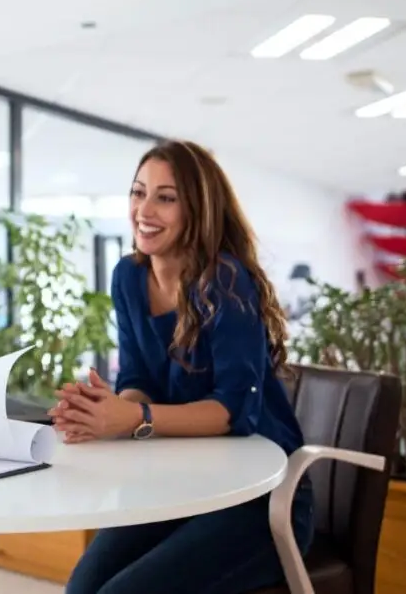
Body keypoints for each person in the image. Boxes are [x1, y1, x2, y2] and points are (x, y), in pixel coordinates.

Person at [49, 140, 314, 594]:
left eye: (165, 198)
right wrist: (108, 411)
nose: (144, 209)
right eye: (138, 192)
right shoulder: (128, 276)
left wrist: (133, 417)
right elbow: (138, 379)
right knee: (82, 588)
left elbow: (236, 412)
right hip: (182, 485)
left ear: (198, 209)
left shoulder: (225, 281)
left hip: (261, 497)